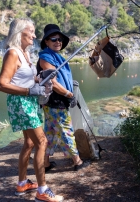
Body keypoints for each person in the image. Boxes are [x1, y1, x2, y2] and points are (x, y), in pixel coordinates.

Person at [0, 18, 63, 202]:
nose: (34, 35)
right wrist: (29, 90)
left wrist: (41, 78)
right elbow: (2, 84)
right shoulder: (12, 53)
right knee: (42, 142)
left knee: (30, 143)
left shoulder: (24, 54)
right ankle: (42, 190)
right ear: (20, 33)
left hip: (29, 101)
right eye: (31, 31)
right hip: (21, 103)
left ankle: (22, 183)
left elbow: (24, 79)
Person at [37, 24, 90, 172]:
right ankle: (77, 162)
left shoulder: (58, 58)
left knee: (50, 132)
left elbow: (60, 78)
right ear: (46, 41)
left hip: (53, 103)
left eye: (59, 39)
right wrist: (69, 94)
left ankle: (45, 163)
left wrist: (70, 86)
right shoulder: (45, 58)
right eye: (53, 39)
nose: (57, 42)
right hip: (55, 102)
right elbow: (53, 83)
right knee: (67, 130)